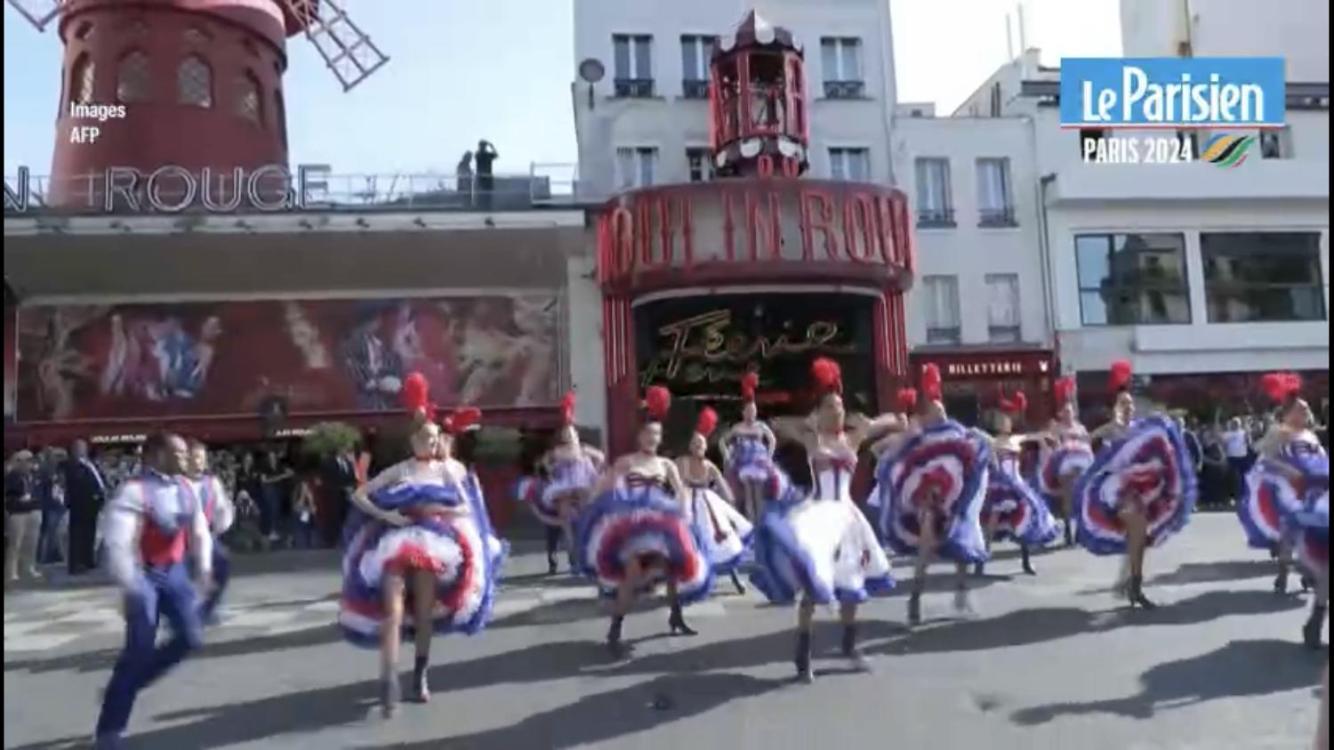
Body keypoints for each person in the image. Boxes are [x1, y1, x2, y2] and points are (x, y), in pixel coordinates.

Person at [337, 373, 503, 716]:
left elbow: (464, 505)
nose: (429, 443)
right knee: (392, 609)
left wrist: (436, 509)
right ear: (413, 442)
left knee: (424, 613)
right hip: (396, 539)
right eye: (424, 438)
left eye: (434, 438)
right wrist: (389, 517)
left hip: (434, 542)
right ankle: (388, 679)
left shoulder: (447, 471)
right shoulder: (400, 469)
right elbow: (360, 495)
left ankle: (420, 674)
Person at [755, 358, 896, 682]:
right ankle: (802, 656)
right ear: (821, 411)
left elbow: (896, 421)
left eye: (841, 407)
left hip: (846, 518)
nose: (838, 412)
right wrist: (807, 423)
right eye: (831, 407)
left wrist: (875, 420)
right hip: (818, 514)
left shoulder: (853, 439)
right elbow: (776, 424)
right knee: (811, 584)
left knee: (851, 583)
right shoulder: (813, 440)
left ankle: (849, 646)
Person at [94, 432, 213, 749]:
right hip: (142, 573)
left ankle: (126, 685)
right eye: (180, 452)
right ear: (157, 455)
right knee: (139, 649)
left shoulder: (188, 487)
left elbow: (199, 530)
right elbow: (117, 543)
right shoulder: (132, 491)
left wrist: (203, 568)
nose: (188, 458)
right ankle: (110, 731)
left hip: (174, 572)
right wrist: (131, 585)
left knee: (191, 637)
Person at [573, 385, 710, 659]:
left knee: (672, 569)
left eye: (657, 435)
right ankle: (615, 630)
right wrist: (588, 502)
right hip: (631, 527)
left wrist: (684, 511)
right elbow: (604, 487)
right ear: (639, 436)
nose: (652, 438)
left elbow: (680, 491)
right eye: (648, 434)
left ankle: (676, 616)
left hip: (661, 525)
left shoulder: (666, 464)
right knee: (632, 575)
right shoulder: (626, 462)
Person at [874, 364, 989, 626]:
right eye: (929, 392)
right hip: (929, 494)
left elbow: (960, 438)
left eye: (935, 392)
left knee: (959, 544)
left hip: (951, 490)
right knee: (926, 549)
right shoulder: (917, 424)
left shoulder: (940, 421)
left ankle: (957, 596)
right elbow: (901, 448)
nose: (935, 400)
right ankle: (916, 600)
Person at [1077, 360, 1197, 609]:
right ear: (1114, 408)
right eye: (1124, 404)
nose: (1129, 407)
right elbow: (1085, 441)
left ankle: (1132, 582)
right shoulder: (1113, 429)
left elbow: (1162, 439)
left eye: (1131, 404)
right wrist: (1105, 432)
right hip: (1116, 489)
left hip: (1143, 488)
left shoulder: (1141, 428)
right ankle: (1133, 583)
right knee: (1138, 527)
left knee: (1139, 536)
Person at [976, 391, 1059, 577]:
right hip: (1001, 484)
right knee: (992, 521)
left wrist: (1045, 435)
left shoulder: (1014, 439)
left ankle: (1026, 561)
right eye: (1004, 419)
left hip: (1017, 484)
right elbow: (975, 434)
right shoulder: (994, 442)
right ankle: (981, 561)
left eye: (1009, 419)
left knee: (1025, 518)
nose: (1008, 422)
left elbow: (1031, 436)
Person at [677, 406, 752, 595]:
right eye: (695, 444)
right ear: (689, 447)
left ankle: (735, 578)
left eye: (701, 444)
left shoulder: (709, 466)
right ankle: (691, 581)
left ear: (705, 447)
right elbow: (674, 482)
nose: (698, 447)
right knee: (691, 542)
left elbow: (723, 485)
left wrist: (731, 502)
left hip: (708, 506)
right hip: (687, 504)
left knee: (721, 541)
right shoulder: (682, 462)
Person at [534, 392, 605, 574]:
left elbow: (601, 458)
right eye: (567, 434)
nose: (570, 437)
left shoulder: (583, 451)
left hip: (583, 485)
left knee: (584, 511)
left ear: (577, 436)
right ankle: (573, 553)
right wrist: (550, 471)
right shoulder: (557, 452)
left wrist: (595, 469)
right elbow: (542, 463)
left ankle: (584, 552)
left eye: (572, 434)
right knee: (566, 516)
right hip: (563, 487)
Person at [1037, 376, 1095, 547]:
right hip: (1065, 469)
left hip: (1081, 468)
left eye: (1071, 412)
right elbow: (1048, 444)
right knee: (1068, 498)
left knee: (1081, 499)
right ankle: (1069, 530)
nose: (1069, 415)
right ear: (1061, 413)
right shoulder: (1057, 428)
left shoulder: (1080, 428)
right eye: (1066, 412)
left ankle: (1078, 530)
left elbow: (1088, 445)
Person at [719, 372, 782, 521]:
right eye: (748, 411)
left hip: (759, 462)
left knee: (758, 493)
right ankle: (750, 519)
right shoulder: (737, 427)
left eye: (753, 411)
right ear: (743, 412)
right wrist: (727, 455)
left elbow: (772, 440)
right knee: (748, 493)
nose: (751, 413)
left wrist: (769, 455)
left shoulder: (761, 426)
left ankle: (760, 519)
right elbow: (722, 441)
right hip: (743, 463)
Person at [184, 440, 234, 624]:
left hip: (206, 536)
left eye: (202, 458)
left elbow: (223, 509)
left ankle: (207, 609)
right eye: (195, 458)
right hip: (180, 539)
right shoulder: (176, 483)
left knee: (222, 563)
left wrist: (219, 528)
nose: (199, 462)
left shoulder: (212, 483)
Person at [65, 439, 108, 574]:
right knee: (77, 535)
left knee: (90, 533)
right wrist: (92, 494)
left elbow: (97, 479)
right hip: (80, 505)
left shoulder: (89, 464)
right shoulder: (73, 465)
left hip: (92, 505)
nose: (82, 450)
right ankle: (76, 563)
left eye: (84, 447)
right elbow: (77, 485)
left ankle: (87, 559)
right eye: (79, 448)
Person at [5, 450, 42, 584]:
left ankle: (29, 567)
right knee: (16, 544)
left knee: (31, 543)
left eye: (30, 461)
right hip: (18, 513)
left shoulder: (33, 476)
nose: (29, 464)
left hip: (33, 511)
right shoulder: (12, 477)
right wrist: (19, 500)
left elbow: (39, 491)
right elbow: (8, 496)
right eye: (26, 461)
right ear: (19, 462)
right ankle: (12, 571)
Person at [1223, 416, 1252, 503]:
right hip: (1231, 458)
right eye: (1234, 423)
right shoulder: (1227, 434)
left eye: (1237, 423)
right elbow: (1223, 445)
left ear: (1240, 424)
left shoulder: (1243, 433)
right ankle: (1232, 497)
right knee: (1233, 478)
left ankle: (1243, 496)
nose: (1235, 424)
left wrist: (1248, 435)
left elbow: (1249, 443)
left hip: (1242, 457)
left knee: (1243, 478)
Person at [474, 139, 498, 210]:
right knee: (482, 193)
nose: (483, 147)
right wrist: (492, 147)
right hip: (482, 176)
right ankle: (482, 207)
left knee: (488, 193)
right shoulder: (479, 154)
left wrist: (492, 147)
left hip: (488, 176)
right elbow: (495, 155)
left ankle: (487, 207)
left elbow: (496, 155)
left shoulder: (484, 154)